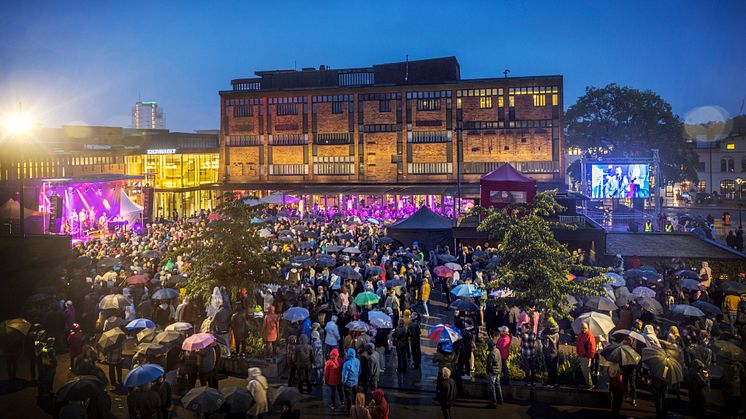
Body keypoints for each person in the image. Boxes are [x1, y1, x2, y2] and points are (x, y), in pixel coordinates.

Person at [576, 322, 596, 390]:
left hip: (586, 356)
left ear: (588, 328)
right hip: (582, 355)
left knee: (586, 371)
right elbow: (578, 344)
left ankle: (590, 385)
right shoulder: (581, 335)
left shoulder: (589, 336)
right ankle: (587, 384)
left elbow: (592, 347)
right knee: (584, 371)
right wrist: (578, 352)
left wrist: (589, 356)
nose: (584, 329)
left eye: (585, 328)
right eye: (582, 328)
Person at [541, 317, 560, 387]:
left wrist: (542, 339)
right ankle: (554, 382)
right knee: (554, 369)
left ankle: (550, 383)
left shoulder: (546, 335)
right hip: (555, 353)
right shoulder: (557, 333)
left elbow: (545, 345)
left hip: (548, 354)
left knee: (549, 369)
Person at [342, 347, 361, 415]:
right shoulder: (357, 361)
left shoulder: (346, 363)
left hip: (348, 384)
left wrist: (343, 382)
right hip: (355, 382)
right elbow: (359, 371)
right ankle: (356, 410)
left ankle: (350, 412)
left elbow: (344, 375)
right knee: (355, 397)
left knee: (348, 399)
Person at [485, 338, 503, 408]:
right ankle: (500, 400)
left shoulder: (491, 354)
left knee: (492, 387)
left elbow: (489, 365)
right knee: (498, 385)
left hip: (493, 372)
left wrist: (487, 371)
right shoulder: (497, 350)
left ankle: (493, 403)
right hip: (498, 371)